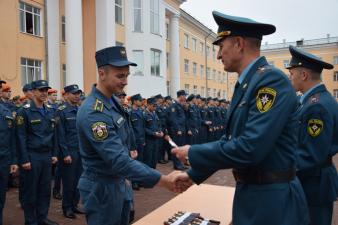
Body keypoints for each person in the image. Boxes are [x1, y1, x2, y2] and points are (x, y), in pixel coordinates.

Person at [172, 11, 309, 225]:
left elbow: (250, 147)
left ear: (238, 43)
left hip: (272, 202)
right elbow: (229, 140)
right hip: (254, 194)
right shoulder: (247, 84)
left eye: (220, 46)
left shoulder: (270, 82)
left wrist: (193, 152)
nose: (218, 55)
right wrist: (194, 174)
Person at [76, 46, 181, 225]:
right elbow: (118, 160)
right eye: (120, 76)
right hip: (102, 188)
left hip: (118, 181)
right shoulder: (94, 112)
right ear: (102, 74)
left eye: (127, 75)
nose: (125, 81)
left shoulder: (111, 102)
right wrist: (162, 180)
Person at [286, 46, 338, 225]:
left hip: (314, 184)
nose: (289, 78)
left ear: (304, 75)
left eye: (291, 73)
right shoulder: (316, 100)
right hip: (314, 182)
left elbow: (311, 154)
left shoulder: (316, 106)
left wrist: (280, 166)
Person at [16, 80, 58, 225]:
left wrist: (54, 153)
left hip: (46, 156)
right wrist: (24, 159)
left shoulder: (51, 110)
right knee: (30, 191)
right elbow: (20, 137)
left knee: (45, 190)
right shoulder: (24, 111)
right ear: (33, 92)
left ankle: (42, 218)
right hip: (32, 156)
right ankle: (31, 221)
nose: (44, 93)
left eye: (46, 90)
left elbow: (54, 134)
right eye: (41, 90)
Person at [56, 84, 84, 219]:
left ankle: (74, 205)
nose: (77, 96)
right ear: (66, 95)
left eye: (78, 93)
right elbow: (60, 135)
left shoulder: (80, 110)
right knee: (69, 182)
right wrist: (65, 153)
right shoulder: (61, 111)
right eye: (74, 93)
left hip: (81, 151)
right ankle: (67, 207)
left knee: (79, 180)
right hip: (69, 152)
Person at [0, 82, 18, 225]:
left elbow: (12, 138)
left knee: (1, 196)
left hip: (4, 159)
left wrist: (13, 161)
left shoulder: (6, 111)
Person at [166, 90, 187, 170]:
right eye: (184, 95)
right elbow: (173, 119)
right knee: (176, 147)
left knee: (180, 147)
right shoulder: (174, 106)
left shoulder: (180, 105)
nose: (185, 97)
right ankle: (177, 165)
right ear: (180, 96)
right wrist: (178, 129)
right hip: (176, 131)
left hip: (181, 129)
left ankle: (180, 164)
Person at [144, 97, 164, 169]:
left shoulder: (154, 114)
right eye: (153, 106)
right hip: (149, 140)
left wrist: (160, 131)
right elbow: (144, 128)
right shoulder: (144, 114)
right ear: (148, 105)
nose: (155, 107)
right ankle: (148, 175)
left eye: (156, 106)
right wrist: (153, 133)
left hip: (156, 139)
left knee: (154, 158)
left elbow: (158, 124)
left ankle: (153, 172)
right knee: (148, 158)